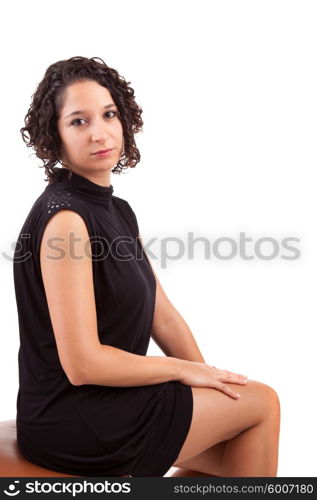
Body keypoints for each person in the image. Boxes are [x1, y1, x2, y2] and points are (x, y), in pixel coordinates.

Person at [13, 56, 280, 478]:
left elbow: (164, 316)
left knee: (237, 429)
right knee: (263, 403)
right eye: (79, 122)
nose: (100, 132)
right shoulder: (66, 219)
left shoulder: (116, 210)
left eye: (108, 114)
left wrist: (212, 381)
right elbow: (83, 364)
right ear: (55, 136)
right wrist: (182, 370)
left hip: (114, 402)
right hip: (75, 416)